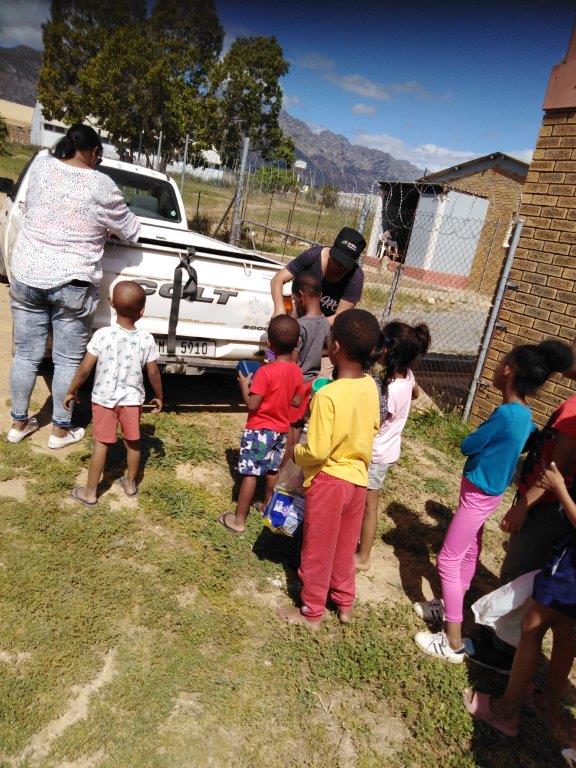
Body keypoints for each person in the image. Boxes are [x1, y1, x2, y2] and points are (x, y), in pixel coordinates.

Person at [413, 340, 574, 663]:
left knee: (447, 559)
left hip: (477, 495)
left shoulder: (505, 414)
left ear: (507, 371)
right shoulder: (525, 416)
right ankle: (449, 604)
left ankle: (453, 639)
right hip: (489, 494)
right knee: (471, 549)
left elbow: (468, 444)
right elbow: (525, 442)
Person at [7, 123, 140, 449]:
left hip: (27, 274)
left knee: (26, 356)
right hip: (72, 281)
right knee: (66, 361)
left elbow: (34, 207)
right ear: (94, 153)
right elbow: (131, 231)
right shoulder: (101, 185)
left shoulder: (40, 165)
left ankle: (18, 424)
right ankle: (60, 431)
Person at [468, 353, 576, 674]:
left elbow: (558, 469)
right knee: (516, 566)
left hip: (543, 509)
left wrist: (524, 505)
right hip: (542, 505)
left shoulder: (574, 410)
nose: (568, 354)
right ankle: (498, 637)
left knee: (519, 572)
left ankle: (502, 651)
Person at [277, 309, 381, 630]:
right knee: (344, 547)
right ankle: (345, 602)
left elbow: (319, 450)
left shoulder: (328, 395)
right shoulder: (371, 387)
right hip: (358, 483)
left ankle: (311, 612)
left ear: (336, 348)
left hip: (329, 482)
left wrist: (297, 451)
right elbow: (373, 427)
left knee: (318, 549)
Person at [464, 461, 576, 739]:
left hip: (570, 567)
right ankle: (548, 702)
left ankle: (506, 711)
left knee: (532, 626)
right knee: (565, 631)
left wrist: (559, 488)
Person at [64, 281, 163, 505]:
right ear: (142, 311)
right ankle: (130, 485)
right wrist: (159, 395)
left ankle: (90, 493)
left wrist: (72, 390)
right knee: (133, 443)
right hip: (132, 400)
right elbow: (154, 373)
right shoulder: (146, 339)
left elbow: (85, 368)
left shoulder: (102, 335)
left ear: (111, 304)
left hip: (104, 400)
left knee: (101, 444)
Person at [355, 321, 431, 572]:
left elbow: (373, 420)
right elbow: (416, 393)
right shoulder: (407, 376)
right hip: (385, 451)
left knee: (369, 506)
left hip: (374, 454)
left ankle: (363, 557)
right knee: (366, 503)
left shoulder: (391, 388)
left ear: (388, 352)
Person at [219, 315, 303, 534]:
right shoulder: (296, 371)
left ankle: (238, 520)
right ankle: (267, 505)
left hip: (259, 430)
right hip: (281, 431)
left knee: (250, 474)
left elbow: (252, 404)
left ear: (269, 344)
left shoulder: (264, 372)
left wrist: (244, 385)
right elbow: (295, 400)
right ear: (296, 344)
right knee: (272, 470)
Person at [270, 227, 366, 325]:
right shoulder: (314, 256)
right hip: (298, 312)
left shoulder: (355, 277)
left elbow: (339, 317)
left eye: (343, 264)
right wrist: (279, 309)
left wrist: (310, 328)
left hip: (325, 324)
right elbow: (277, 279)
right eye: (336, 259)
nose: (337, 265)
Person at [287, 271, 330, 430]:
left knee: (289, 424)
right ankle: (293, 454)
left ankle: (287, 455)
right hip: (312, 383)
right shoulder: (325, 322)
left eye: (294, 298)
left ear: (300, 295)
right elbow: (327, 349)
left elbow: (292, 362)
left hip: (297, 382)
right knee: (298, 423)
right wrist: (314, 353)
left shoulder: (300, 325)